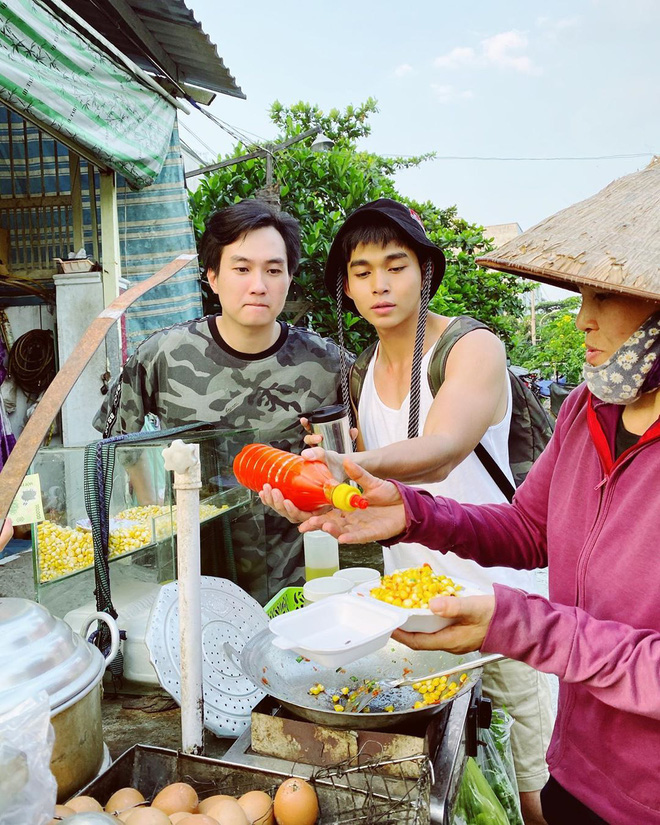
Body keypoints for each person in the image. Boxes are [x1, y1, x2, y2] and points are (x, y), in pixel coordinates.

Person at [297, 282, 660, 825]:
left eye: (605, 298)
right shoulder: (587, 409)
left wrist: (521, 624)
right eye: (583, 296)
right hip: (578, 770)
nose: (583, 318)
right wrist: (413, 515)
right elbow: (531, 528)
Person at [263, 199, 553, 823]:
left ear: (425, 271)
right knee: (458, 785)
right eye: (362, 272)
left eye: (396, 266)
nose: (380, 284)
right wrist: (311, 490)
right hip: (417, 614)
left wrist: (348, 468)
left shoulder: (469, 347)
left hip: (502, 609)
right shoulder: (361, 371)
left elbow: (441, 452)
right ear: (346, 287)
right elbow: (375, 491)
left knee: (529, 790)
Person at [94, 199, 348, 603]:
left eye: (273, 270)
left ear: (289, 277)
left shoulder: (328, 364)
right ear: (212, 276)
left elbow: (361, 450)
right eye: (242, 268)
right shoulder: (163, 354)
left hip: (298, 580)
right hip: (195, 578)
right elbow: (115, 442)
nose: (258, 285)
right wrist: (156, 512)